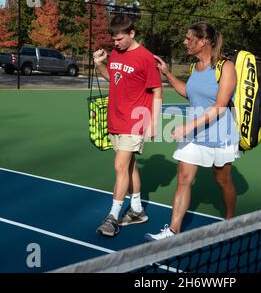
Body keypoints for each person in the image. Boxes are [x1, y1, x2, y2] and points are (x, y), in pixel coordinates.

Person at [145, 22, 240, 241]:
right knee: (184, 178)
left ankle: (231, 220)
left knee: (222, 180)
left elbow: (220, 106)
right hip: (195, 136)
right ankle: (173, 230)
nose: (185, 42)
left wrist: (188, 126)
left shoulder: (225, 67)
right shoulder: (194, 67)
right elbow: (189, 93)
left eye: (189, 39)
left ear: (203, 41)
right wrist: (167, 74)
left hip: (220, 136)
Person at [93, 14, 163, 237]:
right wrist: (99, 63)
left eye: (119, 39)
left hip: (135, 122)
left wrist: (154, 123)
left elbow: (157, 91)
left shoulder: (145, 58)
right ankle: (137, 210)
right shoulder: (115, 53)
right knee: (130, 165)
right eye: (113, 39)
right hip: (115, 119)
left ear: (132, 34)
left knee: (120, 167)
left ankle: (112, 217)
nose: (115, 43)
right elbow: (112, 78)